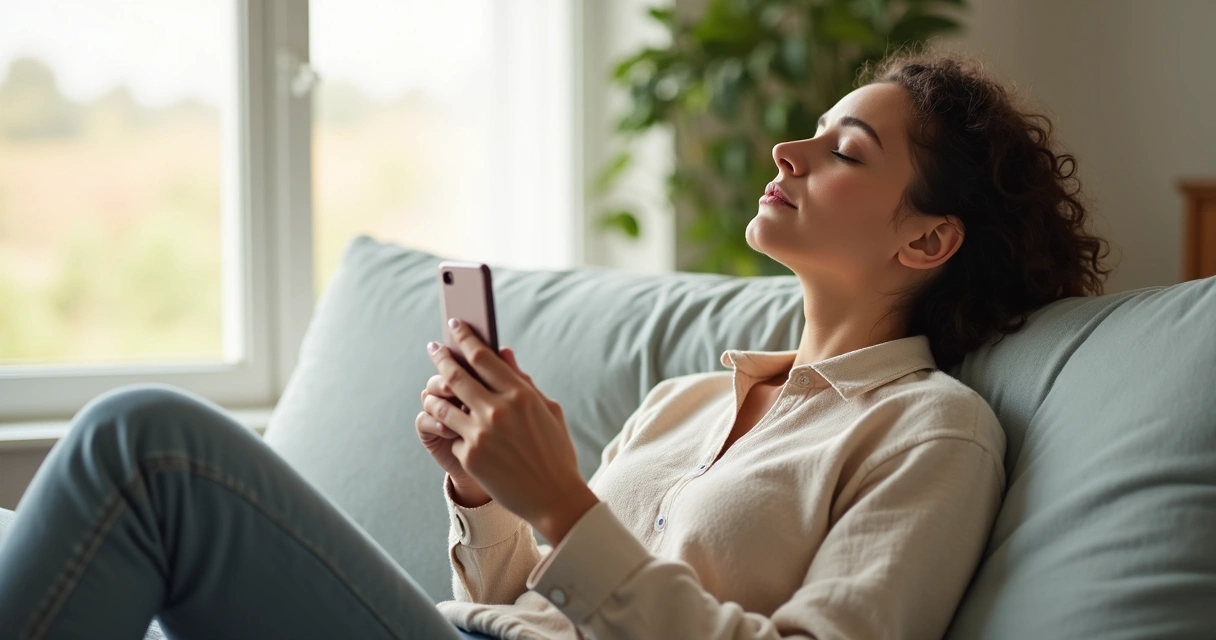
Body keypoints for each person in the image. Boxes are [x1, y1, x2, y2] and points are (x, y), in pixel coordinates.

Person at [0, 50, 1108, 640]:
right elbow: (529, 591)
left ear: (929, 234)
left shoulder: (932, 432)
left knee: (144, 451)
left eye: (843, 148)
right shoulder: (683, 402)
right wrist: (486, 494)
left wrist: (566, 509)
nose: (787, 147)